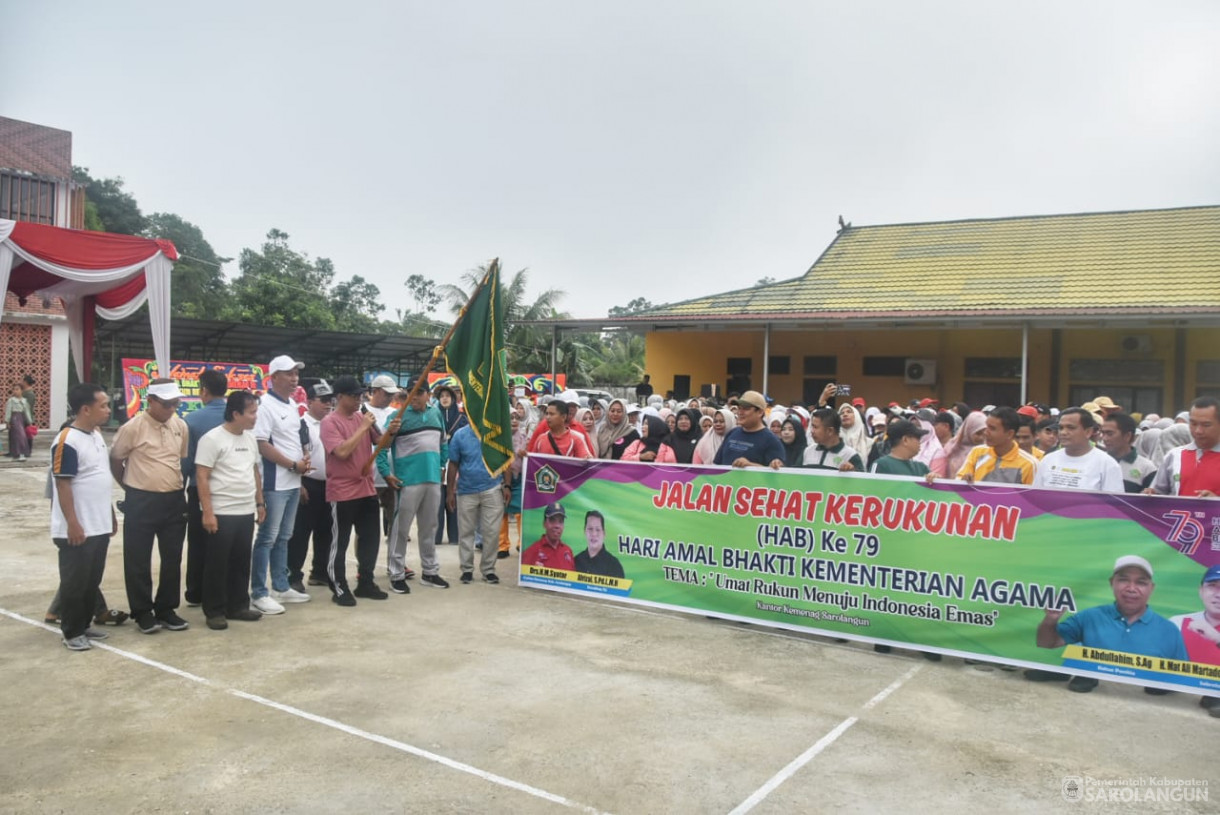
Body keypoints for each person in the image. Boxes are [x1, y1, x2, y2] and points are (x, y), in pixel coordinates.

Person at [1036, 555, 1187, 693]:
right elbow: (1046, 643)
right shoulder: (1089, 616)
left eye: (1141, 582)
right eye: (1123, 580)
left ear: (1151, 588)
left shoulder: (1169, 630)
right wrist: (1051, 619)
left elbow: (1183, 678)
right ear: (1111, 583)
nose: (1131, 588)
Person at [109, 378, 190, 634]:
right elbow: (116, 460)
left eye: (175, 403)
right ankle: (142, 611)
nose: (170, 409)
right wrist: (130, 487)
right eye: (166, 404)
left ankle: (166, 608)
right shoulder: (133, 427)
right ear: (151, 401)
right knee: (137, 558)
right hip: (141, 499)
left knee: (172, 558)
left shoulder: (180, 425)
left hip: (174, 500)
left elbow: (180, 460)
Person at [323, 375, 403, 605]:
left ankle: (365, 582)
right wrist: (363, 427)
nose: (359, 399)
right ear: (339, 397)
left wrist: (392, 430)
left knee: (370, 538)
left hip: (366, 487)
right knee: (340, 541)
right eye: (353, 395)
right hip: (342, 490)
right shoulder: (331, 422)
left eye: (360, 395)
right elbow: (341, 452)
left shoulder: (362, 417)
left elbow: (382, 442)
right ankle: (339, 586)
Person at [49, 383, 116, 651]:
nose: (108, 410)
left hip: (98, 524)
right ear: (85, 409)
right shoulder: (67, 441)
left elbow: (101, 479)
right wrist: (73, 524)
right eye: (103, 405)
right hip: (77, 528)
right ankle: (72, 631)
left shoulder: (96, 435)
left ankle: (85, 623)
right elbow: (63, 485)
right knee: (74, 582)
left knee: (91, 579)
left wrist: (109, 514)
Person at [194, 391, 266, 630]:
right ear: (236, 413)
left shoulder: (249, 438)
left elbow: (254, 471)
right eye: (252, 412)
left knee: (240, 561)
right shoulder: (212, 439)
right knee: (217, 563)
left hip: (245, 510)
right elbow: (202, 476)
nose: (255, 417)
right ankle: (214, 610)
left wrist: (259, 502)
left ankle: (238, 605)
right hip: (222, 510)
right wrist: (208, 512)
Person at [251, 355, 312, 615]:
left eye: (296, 373)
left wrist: (301, 466)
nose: (294, 378)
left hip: (291, 481)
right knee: (267, 538)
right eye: (288, 373)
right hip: (274, 482)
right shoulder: (264, 405)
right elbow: (262, 444)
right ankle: (259, 592)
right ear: (273, 377)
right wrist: (292, 464)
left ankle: (280, 585)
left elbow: (293, 441)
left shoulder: (290, 405)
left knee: (284, 537)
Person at [379, 380, 449, 592]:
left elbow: (443, 443)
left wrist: (441, 466)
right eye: (411, 393)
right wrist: (386, 473)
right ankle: (396, 572)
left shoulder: (436, 414)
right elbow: (381, 447)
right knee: (401, 529)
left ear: (428, 395)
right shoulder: (397, 418)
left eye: (419, 393)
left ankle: (430, 571)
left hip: (432, 480)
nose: (415, 397)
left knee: (429, 528)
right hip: (407, 481)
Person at [182, 368, 229, 607]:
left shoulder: (191, 420)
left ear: (204, 391)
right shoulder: (235, 417)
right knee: (227, 542)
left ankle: (196, 591)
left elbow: (186, 461)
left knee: (199, 542)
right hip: (231, 491)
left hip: (199, 490)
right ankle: (223, 589)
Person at [287, 380, 334, 593]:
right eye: (323, 400)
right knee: (300, 534)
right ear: (309, 401)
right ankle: (293, 575)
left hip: (330, 485)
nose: (328, 404)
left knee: (326, 532)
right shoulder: (300, 425)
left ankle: (320, 572)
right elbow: (294, 456)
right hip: (308, 483)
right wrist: (299, 484)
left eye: (330, 400)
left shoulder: (332, 423)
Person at [447, 421, 507, 585]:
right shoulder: (460, 435)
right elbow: (453, 463)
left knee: (492, 532)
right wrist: (449, 491)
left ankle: (488, 570)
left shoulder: (496, 433)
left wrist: (507, 485)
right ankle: (466, 569)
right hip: (466, 490)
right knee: (466, 532)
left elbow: (506, 458)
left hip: (492, 487)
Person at [1032, 408, 1123, 492]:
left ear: (1088, 432)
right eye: (1061, 428)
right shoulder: (1048, 460)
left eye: (1071, 428)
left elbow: (1114, 505)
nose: (1063, 432)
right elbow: (1036, 496)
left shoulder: (1108, 464)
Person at [1149, 397, 1220, 497]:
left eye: (1206, 425)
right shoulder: (1175, 455)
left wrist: (1216, 501)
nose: (1198, 431)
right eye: (1193, 424)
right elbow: (1158, 492)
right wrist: (1151, 495)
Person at [955, 407, 1039, 485]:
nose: (985, 432)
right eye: (986, 426)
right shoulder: (977, 452)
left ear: (1010, 434)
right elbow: (959, 481)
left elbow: (1032, 498)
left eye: (992, 428)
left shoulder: (1029, 464)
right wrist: (964, 481)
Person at [365, 374, 402, 543]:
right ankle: (363, 566)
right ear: (376, 391)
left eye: (392, 395)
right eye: (387, 394)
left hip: (392, 476)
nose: (390, 398)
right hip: (369, 477)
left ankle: (396, 562)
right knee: (366, 527)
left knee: (396, 524)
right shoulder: (362, 412)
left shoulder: (395, 413)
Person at [713, 391, 783, 469]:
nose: (740, 412)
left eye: (746, 409)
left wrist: (750, 465)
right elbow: (717, 465)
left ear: (760, 412)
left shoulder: (772, 441)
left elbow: (777, 474)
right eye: (739, 408)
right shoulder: (732, 433)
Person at [1169, 565, 1220, 668]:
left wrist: (1217, 638)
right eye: (1212, 585)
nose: (1218, 594)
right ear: (1201, 591)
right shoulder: (1178, 623)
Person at [434, 383, 465, 546]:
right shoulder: (432, 416)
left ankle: (454, 536)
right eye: (442, 396)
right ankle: (436, 536)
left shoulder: (461, 418)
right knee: (437, 500)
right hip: (437, 462)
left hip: (455, 462)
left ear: (453, 399)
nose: (444, 399)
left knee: (453, 496)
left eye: (448, 396)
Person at [1101, 412, 1157, 493]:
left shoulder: (1147, 468)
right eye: (1103, 433)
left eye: (1110, 434)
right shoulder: (1096, 462)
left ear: (1127, 436)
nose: (1104, 438)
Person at [802, 408, 865, 472]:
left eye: (815, 427)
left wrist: (852, 472)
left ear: (830, 431)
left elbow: (861, 480)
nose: (812, 431)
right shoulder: (807, 451)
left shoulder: (850, 455)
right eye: (812, 427)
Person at [527, 400, 594, 458]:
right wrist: (525, 456)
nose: (547, 417)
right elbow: (533, 461)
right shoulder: (540, 439)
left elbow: (585, 460)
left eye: (551, 414)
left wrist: (587, 459)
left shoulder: (576, 439)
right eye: (546, 414)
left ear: (563, 417)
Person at [521, 502, 576, 570]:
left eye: (560, 521)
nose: (557, 525)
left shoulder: (567, 551)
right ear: (544, 524)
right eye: (552, 520)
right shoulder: (532, 552)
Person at [574, 510, 624, 578]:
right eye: (590, 529)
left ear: (604, 533)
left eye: (597, 530)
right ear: (584, 531)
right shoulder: (576, 561)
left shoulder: (614, 565)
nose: (594, 534)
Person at [943, 410, 987, 477]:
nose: (981, 438)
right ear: (968, 430)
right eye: (978, 433)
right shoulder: (952, 447)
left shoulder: (989, 452)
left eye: (984, 433)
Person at [5, 382, 32, 460]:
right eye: (14, 389)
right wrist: (7, 421)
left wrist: (30, 422)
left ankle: (19, 454)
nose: (15, 391)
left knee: (21, 436)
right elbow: (8, 411)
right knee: (18, 436)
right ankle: (19, 454)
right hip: (14, 419)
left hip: (21, 419)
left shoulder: (24, 400)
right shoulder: (11, 400)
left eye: (17, 389)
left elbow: (27, 412)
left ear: (21, 390)